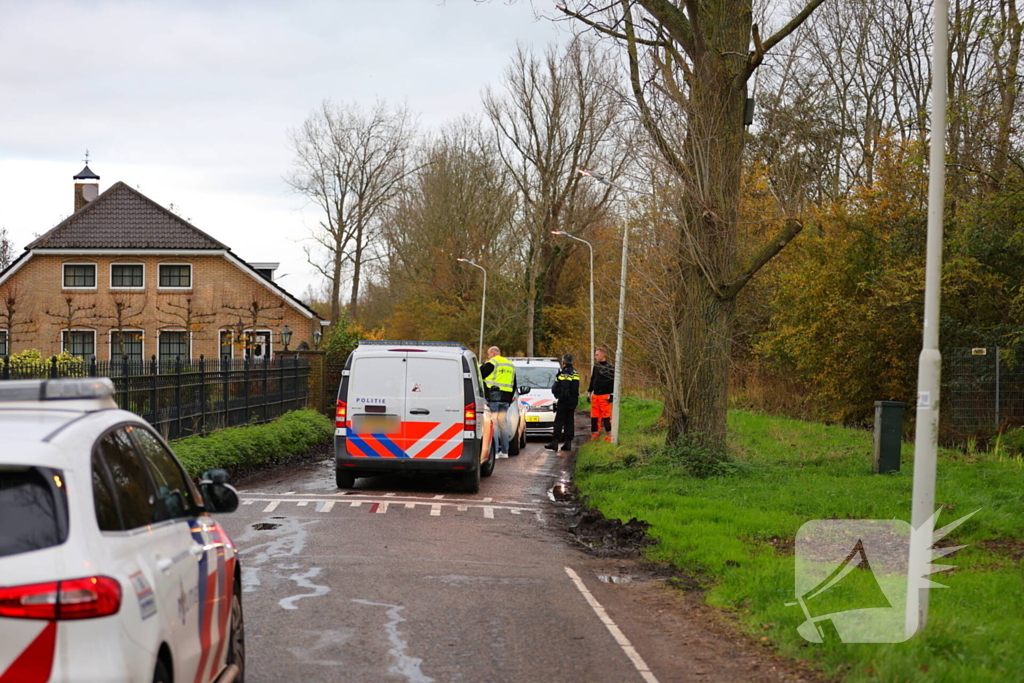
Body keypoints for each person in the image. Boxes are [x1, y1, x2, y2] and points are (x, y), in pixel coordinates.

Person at [480, 346, 516, 458]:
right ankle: (505, 452)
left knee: (494, 425)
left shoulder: (493, 362)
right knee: (503, 425)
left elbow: (480, 375)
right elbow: (514, 384)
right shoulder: (510, 364)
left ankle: (494, 452)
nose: (488, 356)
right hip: (506, 399)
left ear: (493, 353)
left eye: (488, 354)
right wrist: (510, 399)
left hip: (494, 397)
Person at [546, 353, 580, 452]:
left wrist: (561, 397)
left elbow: (565, 386)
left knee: (559, 421)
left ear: (563, 362)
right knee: (569, 421)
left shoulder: (566, 372)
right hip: (573, 400)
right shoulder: (574, 372)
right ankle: (568, 443)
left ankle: (555, 443)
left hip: (565, 401)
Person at [587, 348, 615, 442]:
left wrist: (612, 395)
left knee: (606, 417)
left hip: (605, 396)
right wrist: (589, 392)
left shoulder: (610, 368)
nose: (595, 357)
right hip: (596, 396)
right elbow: (593, 379)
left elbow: (613, 382)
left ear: (603, 355)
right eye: (595, 355)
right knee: (594, 417)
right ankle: (595, 437)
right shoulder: (596, 367)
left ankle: (609, 437)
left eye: (597, 355)